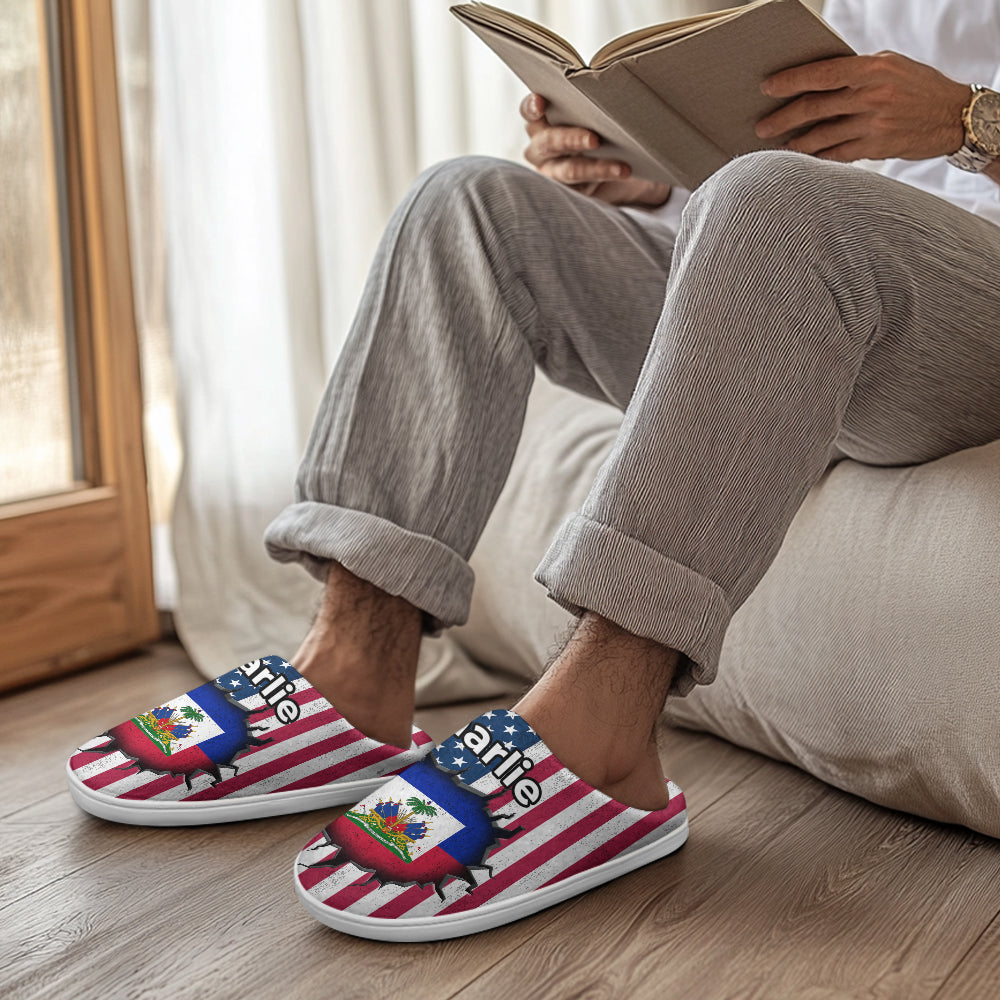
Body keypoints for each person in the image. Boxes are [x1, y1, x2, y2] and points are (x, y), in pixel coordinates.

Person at [67, 0, 1000, 942]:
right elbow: (815, 162)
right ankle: (356, 671)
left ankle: (604, 744)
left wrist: (972, 120)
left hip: (971, 297)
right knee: (470, 201)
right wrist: (654, 180)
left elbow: (846, 179)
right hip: (822, 274)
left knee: (775, 201)